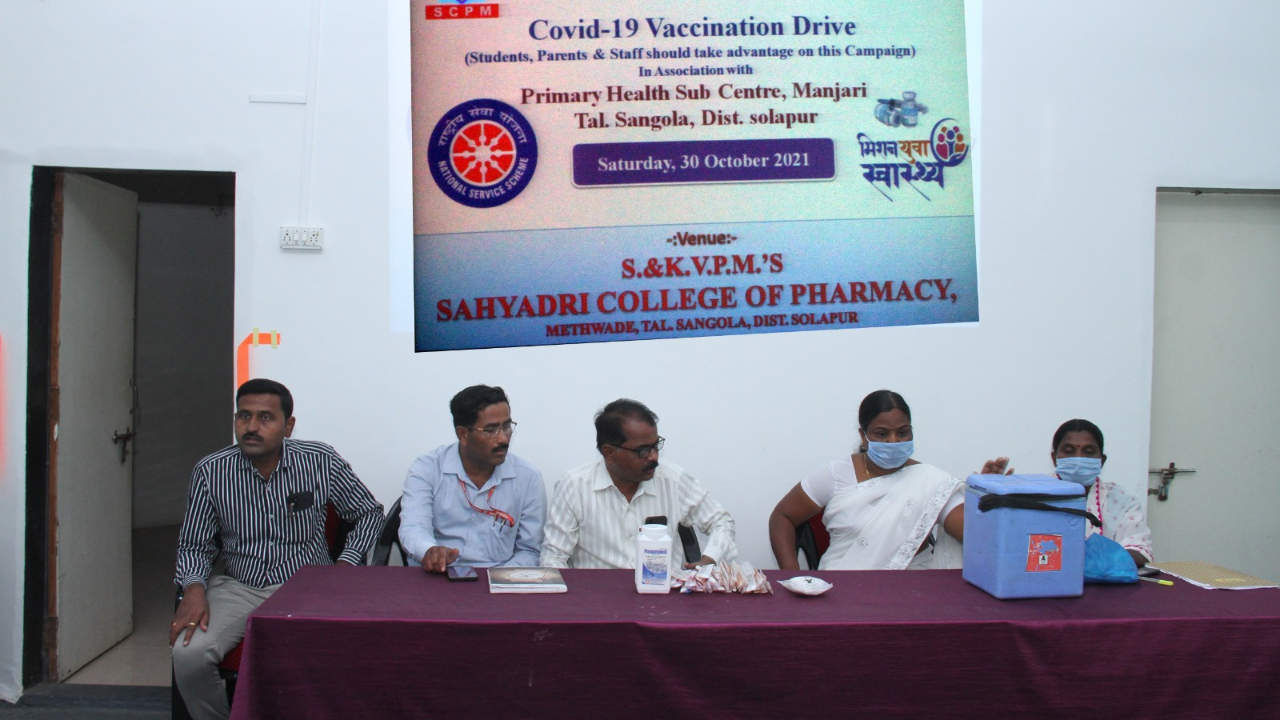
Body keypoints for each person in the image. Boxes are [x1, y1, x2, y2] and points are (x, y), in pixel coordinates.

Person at [171, 379, 383, 720]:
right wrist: (193, 587)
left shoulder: (319, 460)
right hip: (240, 586)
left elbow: (369, 513)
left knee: (339, 653)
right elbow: (195, 543)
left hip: (308, 587)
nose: (251, 427)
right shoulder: (211, 471)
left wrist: (345, 565)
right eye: (244, 416)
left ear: (288, 426)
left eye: (265, 417)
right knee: (188, 654)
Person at [769, 389, 980, 570]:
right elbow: (782, 517)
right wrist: (793, 576)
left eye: (903, 432)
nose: (893, 441)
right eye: (882, 434)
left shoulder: (931, 480)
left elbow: (973, 534)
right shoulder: (836, 474)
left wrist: (985, 492)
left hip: (914, 588)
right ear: (863, 436)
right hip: (843, 586)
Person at [541, 398, 736, 569]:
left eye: (655, 445)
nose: (653, 457)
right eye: (642, 451)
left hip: (663, 593)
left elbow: (722, 522)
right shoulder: (575, 486)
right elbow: (553, 558)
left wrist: (709, 560)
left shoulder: (673, 481)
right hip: (597, 595)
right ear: (610, 453)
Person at [399, 385, 545, 572]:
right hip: (438, 575)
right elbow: (413, 527)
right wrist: (429, 550)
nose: (503, 439)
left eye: (507, 427)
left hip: (500, 576)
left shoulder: (528, 478)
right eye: (491, 429)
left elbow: (530, 550)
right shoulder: (427, 469)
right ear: (463, 434)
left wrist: (500, 577)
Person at [1049, 418, 1152, 567]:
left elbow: (1140, 550)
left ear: (1101, 461)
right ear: (1054, 458)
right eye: (1069, 451)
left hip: (1106, 579)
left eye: (1088, 452)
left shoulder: (1122, 500)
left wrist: (1094, 563)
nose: (1079, 458)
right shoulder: (1033, 497)